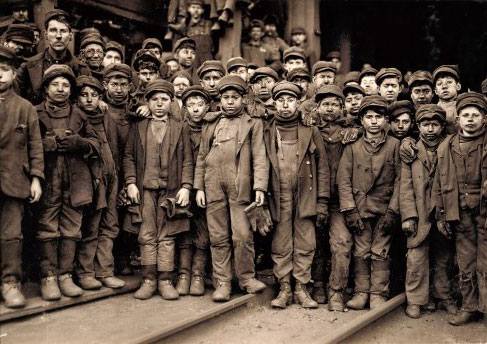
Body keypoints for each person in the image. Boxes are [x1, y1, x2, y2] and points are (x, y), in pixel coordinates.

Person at [194, 75, 269, 302]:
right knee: (218, 236)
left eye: (234, 98)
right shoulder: (211, 122)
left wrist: (260, 187)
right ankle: (223, 282)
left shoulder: (253, 123)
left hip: (240, 185)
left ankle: (246, 278)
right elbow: (201, 157)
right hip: (213, 183)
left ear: (243, 99)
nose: (229, 102)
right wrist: (198, 187)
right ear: (220, 100)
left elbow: (259, 156)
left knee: (243, 235)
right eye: (225, 97)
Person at [124, 79, 193, 300]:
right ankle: (148, 279)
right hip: (145, 190)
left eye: (164, 99)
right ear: (148, 102)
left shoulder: (180, 128)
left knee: (167, 234)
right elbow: (128, 156)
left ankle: (164, 280)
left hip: (170, 191)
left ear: (172, 102)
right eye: (154, 100)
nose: (159, 104)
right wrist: (131, 182)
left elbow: (188, 161)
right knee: (146, 234)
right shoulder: (138, 127)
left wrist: (186, 187)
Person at [36, 64, 100, 301]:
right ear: (46, 88)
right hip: (49, 181)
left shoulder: (80, 115)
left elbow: (97, 144)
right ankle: (48, 277)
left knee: (72, 228)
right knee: (47, 228)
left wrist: (80, 144)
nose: (61, 89)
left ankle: (65, 276)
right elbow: (25, 144)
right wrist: (46, 145)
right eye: (55, 84)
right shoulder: (35, 113)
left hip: (75, 182)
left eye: (65, 85)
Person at [264, 81, 329, 309]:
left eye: (290, 100)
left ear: (298, 103)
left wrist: (322, 201)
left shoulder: (310, 130)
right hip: (278, 194)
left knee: (306, 241)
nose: (285, 105)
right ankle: (284, 288)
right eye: (280, 100)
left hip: (305, 196)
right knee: (281, 241)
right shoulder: (266, 129)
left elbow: (322, 168)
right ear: (274, 103)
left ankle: (302, 288)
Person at [337, 95, 401, 310]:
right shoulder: (352, 146)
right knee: (361, 250)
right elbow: (343, 180)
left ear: (386, 121)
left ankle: (378, 293)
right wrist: (349, 210)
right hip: (360, 207)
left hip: (384, 208)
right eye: (369, 117)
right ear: (361, 120)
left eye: (378, 117)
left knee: (380, 250)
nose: (374, 121)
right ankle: (361, 292)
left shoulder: (395, 145)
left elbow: (402, 180)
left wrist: (393, 211)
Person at [434, 92, 487, 326]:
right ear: (457, 118)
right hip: (461, 214)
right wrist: (442, 214)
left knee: (486, 261)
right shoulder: (447, 146)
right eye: (465, 115)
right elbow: (439, 183)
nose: (470, 119)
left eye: (476, 115)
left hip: (485, 213)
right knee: (466, 262)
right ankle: (470, 306)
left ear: (484, 118)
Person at [400, 104, 457, 319]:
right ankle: (416, 299)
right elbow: (405, 187)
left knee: (444, 255)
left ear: (443, 126)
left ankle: (443, 296)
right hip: (420, 211)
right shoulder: (410, 151)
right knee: (416, 256)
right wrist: (408, 216)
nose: (430, 129)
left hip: (443, 210)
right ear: (418, 126)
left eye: (435, 124)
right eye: (425, 124)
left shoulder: (451, 146)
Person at [0, 46, 43, 308]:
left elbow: (35, 146)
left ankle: (10, 283)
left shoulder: (26, 108)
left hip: (15, 182)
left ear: (14, 73)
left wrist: (36, 178)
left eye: (4, 70)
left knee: (11, 235)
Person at [75, 75, 126, 290]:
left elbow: (116, 152)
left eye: (94, 95)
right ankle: (85, 272)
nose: (89, 100)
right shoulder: (76, 119)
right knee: (91, 227)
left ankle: (105, 271)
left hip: (111, 179)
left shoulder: (107, 119)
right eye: (84, 95)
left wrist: (118, 180)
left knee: (109, 225)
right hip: (91, 182)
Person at [313, 85, 360, 311]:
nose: (329, 108)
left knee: (341, 244)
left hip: (339, 200)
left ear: (342, 108)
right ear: (317, 107)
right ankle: (318, 286)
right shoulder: (309, 129)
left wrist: (357, 131)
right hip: (312, 198)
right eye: (325, 104)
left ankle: (336, 292)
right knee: (314, 244)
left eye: (334, 104)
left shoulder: (349, 131)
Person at [175, 85, 212, 296]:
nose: (196, 109)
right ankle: (183, 274)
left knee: (203, 232)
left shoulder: (213, 127)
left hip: (206, 188)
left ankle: (198, 274)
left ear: (207, 106)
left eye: (200, 105)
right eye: (191, 105)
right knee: (183, 230)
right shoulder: (180, 128)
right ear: (185, 107)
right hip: (182, 186)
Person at [101, 63, 137, 275]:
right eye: (114, 84)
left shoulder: (135, 112)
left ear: (130, 86)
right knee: (109, 214)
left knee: (127, 216)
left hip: (130, 171)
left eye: (124, 85)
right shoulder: (100, 111)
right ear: (105, 85)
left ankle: (123, 258)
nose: (119, 89)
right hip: (108, 170)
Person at [14, 9, 79, 105]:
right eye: (53, 30)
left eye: (63, 31)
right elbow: (15, 100)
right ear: (46, 35)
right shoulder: (28, 67)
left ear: (70, 36)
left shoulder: (81, 68)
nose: (58, 36)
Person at [433, 65, 461, 134]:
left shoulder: (466, 106)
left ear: (458, 86)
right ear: (436, 91)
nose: (444, 86)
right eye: (439, 84)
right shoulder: (433, 111)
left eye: (449, 82)